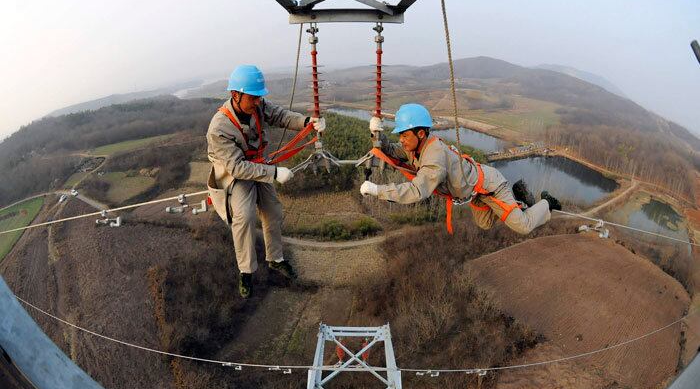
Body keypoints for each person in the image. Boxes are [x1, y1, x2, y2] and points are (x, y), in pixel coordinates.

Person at [206, 65, 325, 298]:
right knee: (245, 215)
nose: (257, 101)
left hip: (259, 163)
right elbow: (237, 167)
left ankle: (275, 258)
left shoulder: (257, 106)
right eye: (252, 97)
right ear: (235, 95)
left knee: (272, 210)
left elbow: (280, 116)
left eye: (259, 97)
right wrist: (273, 174)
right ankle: (246, 271)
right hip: (235, 174)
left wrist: (307, 122)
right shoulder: (219, 128)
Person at [359, 103, 561, 235]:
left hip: (491, 186)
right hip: (475, 194)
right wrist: (376, 134)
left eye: (404, 135)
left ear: (420, 133)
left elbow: (417, 190)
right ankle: (517, 202)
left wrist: (379, 191)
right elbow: (391, 151)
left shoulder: (434, 157)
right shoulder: (416, 146)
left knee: (523, 226)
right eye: (400, 135)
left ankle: (546, 202)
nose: (401, 140)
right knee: (485, 224)